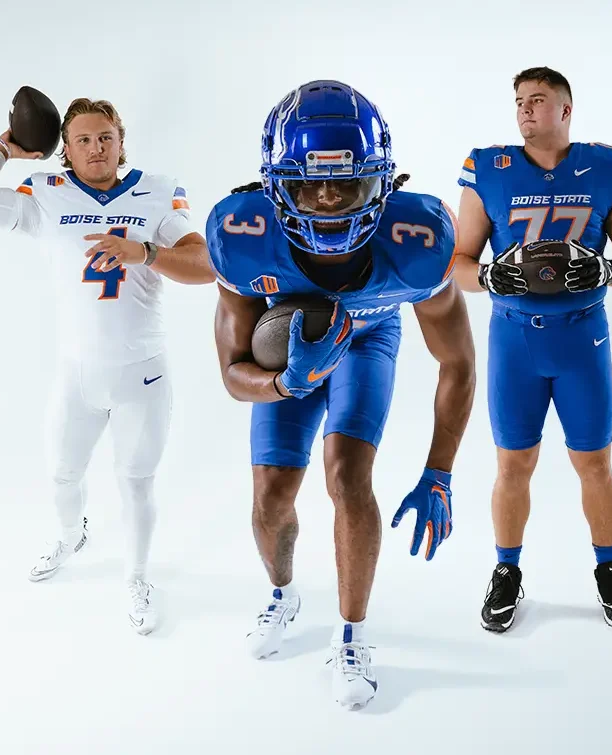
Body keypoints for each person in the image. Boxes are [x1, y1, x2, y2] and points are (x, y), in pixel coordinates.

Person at [206, 80, 476, 709]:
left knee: (348, 476)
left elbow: (457, 361)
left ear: (381, 183)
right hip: (292, 346)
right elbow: (232, 372)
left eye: (346, 182)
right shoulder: (243, 234)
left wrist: (439, 472)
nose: (327, 199)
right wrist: (285, 382)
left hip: (367, 335)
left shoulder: (420, 239)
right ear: (277, 186)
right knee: (271, 498)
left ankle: (351, 635)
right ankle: (283, 592)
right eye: (308, 184)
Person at [0, 97, 215, 635]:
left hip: (141, 370)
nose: (95, 148)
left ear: (121, 142)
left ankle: (138, 577)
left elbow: (206, 266)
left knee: (136, 481)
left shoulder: (159, 189)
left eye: (105, 137)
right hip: (77, 371)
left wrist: (145, 252)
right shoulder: (48, 194)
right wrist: (6, 147)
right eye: (82, 140)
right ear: (65, 151)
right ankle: (72, 535)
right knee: (62, 473)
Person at [453, 67, 612, 632]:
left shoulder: (606, 166)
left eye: (537, 100)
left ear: (566, 110)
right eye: (519, 100)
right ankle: (507, 572)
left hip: (582, 338)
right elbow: (459, 265)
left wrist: (606, 268)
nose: (524, 109)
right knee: (513, 464)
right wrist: (494, 277)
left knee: (594, 462)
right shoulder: (488, 168)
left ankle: (608, 568)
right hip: (513, 339)